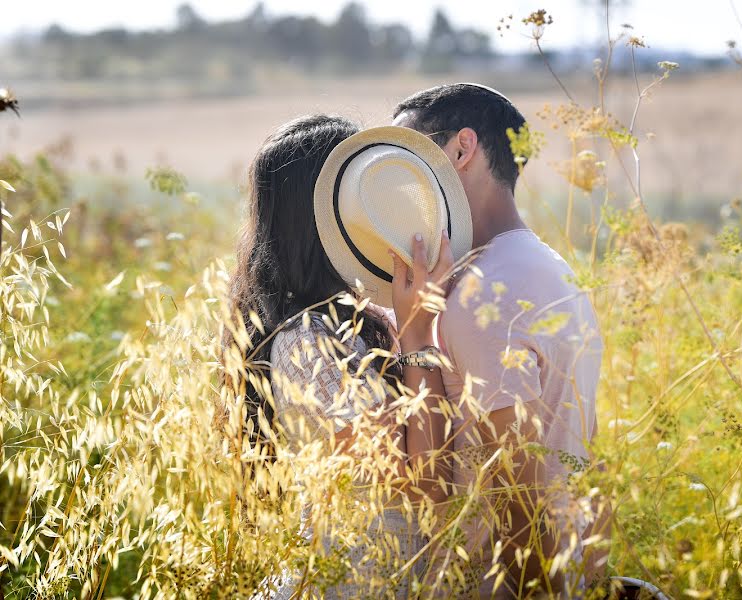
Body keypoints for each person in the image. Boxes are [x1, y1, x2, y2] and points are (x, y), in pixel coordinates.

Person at [226, 114, 460, 598]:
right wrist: (419, 334)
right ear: (322, 218)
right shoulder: (307, 344)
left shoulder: (359, 318)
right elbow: (426, 485)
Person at [393, 84, 605, 597]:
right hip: (568, 570)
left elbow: (518, 496)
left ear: (462, 149)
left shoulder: (484, 294)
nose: (398, 181)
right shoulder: (548, 265)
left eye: (408, 156)